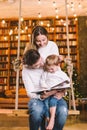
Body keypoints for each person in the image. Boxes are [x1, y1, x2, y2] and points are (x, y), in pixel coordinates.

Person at [22, 26, 68, 130]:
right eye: (38, 41)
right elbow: (30, 91)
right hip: (39, 95)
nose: (42, 43)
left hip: (53, 90)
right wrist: (42, 96)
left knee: (62, 111)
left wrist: (62, 91)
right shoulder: (28, 60)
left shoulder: (52, 47)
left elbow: (57, 69)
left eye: (44, 40)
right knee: (38, 111)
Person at [38, 54, 70, 130]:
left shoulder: (62, 74)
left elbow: (67, 82)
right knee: (44, 103)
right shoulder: (46, 73)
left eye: (52, 69)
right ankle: (48, 117)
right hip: (48, 93)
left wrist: (63, 90)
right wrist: (44, 87)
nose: (50, 70)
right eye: (48, 68)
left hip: (56, 94)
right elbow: (42, 81)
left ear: (58, 65)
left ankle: (51, 119)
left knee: (53, 101)